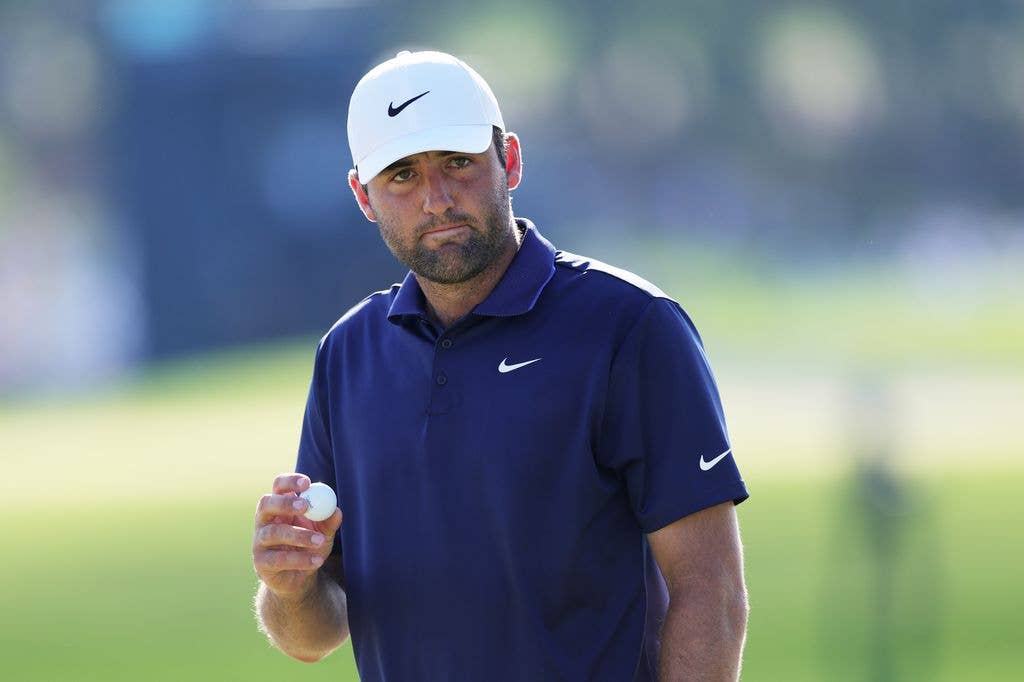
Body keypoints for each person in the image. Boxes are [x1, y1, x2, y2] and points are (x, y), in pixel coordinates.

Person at [253, 50, 750, 681]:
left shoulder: (629, 326)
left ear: (508, 160)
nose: (436, 199)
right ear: (364, 197)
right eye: (401, 176)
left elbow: (711, 593)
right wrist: (289, 586)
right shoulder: (348, 355)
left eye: (458, 162)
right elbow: (318, 631)